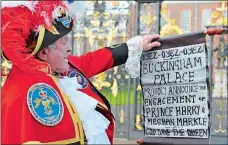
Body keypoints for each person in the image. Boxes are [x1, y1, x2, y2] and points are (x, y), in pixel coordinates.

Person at [1, 1, 161, 144]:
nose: (69, 48)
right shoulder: (19, 93)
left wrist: (133, 47)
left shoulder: (56, 67)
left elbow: (91, 60)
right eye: (63, 42)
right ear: (43, 53)